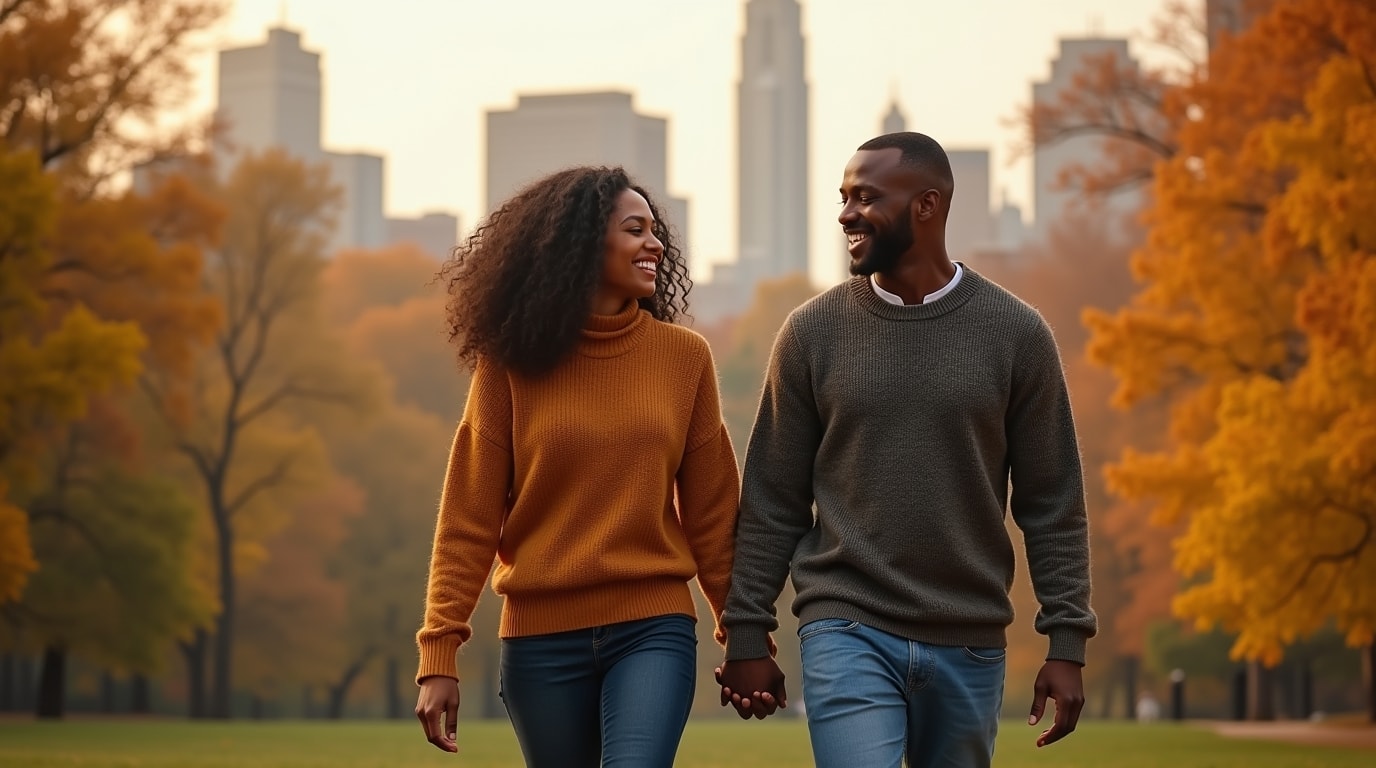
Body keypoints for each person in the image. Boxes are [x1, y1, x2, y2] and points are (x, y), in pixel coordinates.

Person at [715, 132, 1097, 768]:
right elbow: (772, 498)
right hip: (845, 623)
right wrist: (749, 628)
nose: (845, 214)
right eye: (843, 198)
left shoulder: (1018, 335)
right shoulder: (811, 333)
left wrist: (1067, 641)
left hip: (969, 636)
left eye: (865, 197)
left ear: (928, 206)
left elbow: (1053, 503)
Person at [414, 165, 741, 768]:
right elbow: (469, 517)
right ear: (583, 244)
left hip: (653, 625)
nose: (655, 244)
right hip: (540, 639)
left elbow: (714, 513)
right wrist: (439, 652)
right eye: (634, 230)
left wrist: (741, 631)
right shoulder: (510, 365)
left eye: (654, 230)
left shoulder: (683, 358)